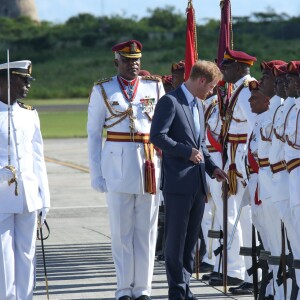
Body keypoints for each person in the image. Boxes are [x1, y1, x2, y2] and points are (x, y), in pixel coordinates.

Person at [87, 40, 165, 300]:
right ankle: (123, 289)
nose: (134, 64)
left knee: (147, 231)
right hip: (117, 165)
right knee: (121, 232)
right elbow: (93, 134)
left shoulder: (153, 86)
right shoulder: (103, 89)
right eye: (128, 60)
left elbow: (164, 127)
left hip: (148, 165)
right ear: (117, 61)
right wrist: (96, 173)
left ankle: (143, 289)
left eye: (137, 60)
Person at [150, 60, 227, 300]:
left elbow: (200, 146)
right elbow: (157, 136)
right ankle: (177, 292)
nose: (212, 92)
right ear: (201, 80)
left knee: (190, 242)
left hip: (197, 183)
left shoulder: (198, 105)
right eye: (212, 86)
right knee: (175, 242)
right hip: (178, 183)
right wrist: (185, 152)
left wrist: (213, 168)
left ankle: (185, 288)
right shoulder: (170, 102)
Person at [0, 60, 50, 299]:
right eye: (24, 80)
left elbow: (38, 157)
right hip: (0, 193)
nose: (28, 85)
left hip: (28, 193)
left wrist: (45, 199)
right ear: (8, 80)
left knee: (27, 253)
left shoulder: (29, 113)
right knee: (3, 255)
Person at [218, 48, 260, 294]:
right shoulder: (240, 89)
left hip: (241, 162)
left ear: (239, 67)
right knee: (240, 220)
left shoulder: (247, 91)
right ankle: (245, 271)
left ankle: (251, 273)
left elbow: (254, 131)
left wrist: (243, 164)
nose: (223, 70)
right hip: (234, 158)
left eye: (227, 65)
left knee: (247, 219)